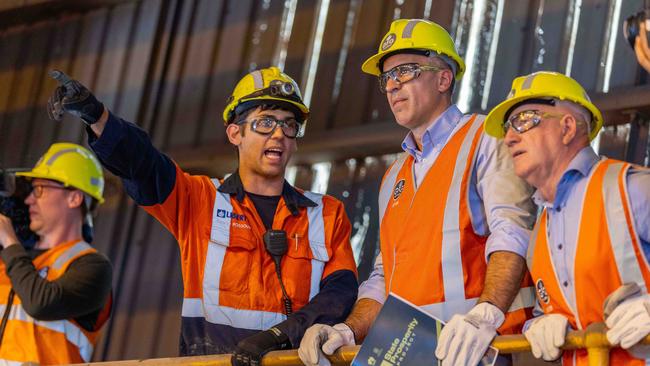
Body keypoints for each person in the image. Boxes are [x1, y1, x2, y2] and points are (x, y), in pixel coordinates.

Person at [47, 67, 358, 365]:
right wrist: (96, 116)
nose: (279, 134)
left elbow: (339, 294)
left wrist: (280, 336)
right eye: (265, 123)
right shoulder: (199, 201)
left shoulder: (326, 214)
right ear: (235, 132)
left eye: (289, 124)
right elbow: (143, 164)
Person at [299, 18, 536, 366]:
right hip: (414, 354)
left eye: (406, 71)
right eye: (387, 77)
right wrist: (347, 330)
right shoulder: (395, 175)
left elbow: (513, 232)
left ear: (444, 79)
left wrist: (485, 315)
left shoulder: (485, 140)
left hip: (483, 349)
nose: (392, 85)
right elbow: (384, 277)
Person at [483, 70, 650, 365]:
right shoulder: (539, 236)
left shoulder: (631, 189)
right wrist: (537, 326)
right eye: (509, 127)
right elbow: (554, 313)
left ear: (567, 127)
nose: (509, 138)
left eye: (524, 120)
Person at [0, 142, 112, 364]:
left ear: (74, 198)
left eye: (39, 189)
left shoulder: (92, 266)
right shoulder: (11, 259)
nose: (29, 199)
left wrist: (9, 239)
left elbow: (40, 303)